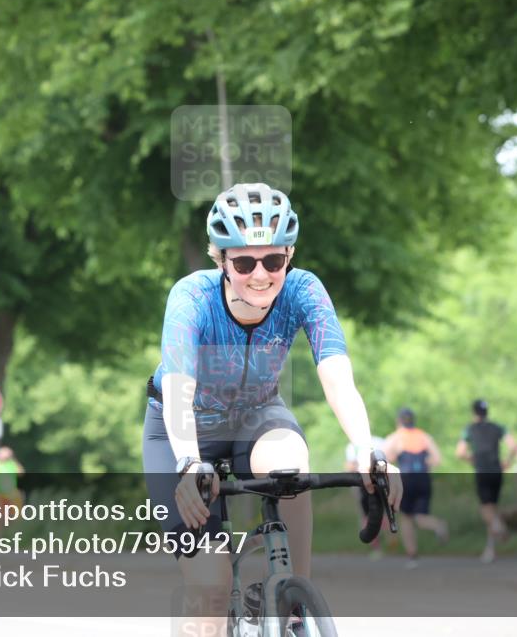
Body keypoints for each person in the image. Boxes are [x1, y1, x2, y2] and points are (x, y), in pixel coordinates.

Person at [141, 184, 402, 637]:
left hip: (257, 416)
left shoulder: (304, 289)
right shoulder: (192, 297)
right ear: (220, 260)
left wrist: (367, 449)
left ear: (290, 255)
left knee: (289, 467)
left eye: (273, 261)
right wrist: (187, 462)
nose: (260, 274)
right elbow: (179, 392)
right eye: (243, 262)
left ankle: (293, 594)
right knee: (212, 587)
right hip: (182, 431)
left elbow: (338, 378)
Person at [382, 408, 448, 568]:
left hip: (406, 480)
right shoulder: (424, 436)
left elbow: (386, 457)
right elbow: (437, 459)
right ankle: (438, 525)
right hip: (424, 479)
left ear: (399, 421)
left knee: (406, 517)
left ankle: (412, 555)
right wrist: (423, 464)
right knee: (420, 516)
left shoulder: (396, 437)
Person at [455, 398, 517, 563]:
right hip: (497, 469)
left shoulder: (469, 429)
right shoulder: (498, 427)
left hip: (482, 470)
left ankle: (500, 528)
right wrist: (507, 462)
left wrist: (472, 459)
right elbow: (513, 446)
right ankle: (490, 550)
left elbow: (460, 452)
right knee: (493, 508)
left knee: (486, 509)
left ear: (474, 412)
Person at [344, 436, 387, 559]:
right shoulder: (380, 441)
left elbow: (350, 467)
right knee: (383, 512)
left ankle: (377, 547)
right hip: (382, 482)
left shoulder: (353, 446)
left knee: (366, 517)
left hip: (363, 483)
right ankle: (390, 541)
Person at [0, 446, 24, 531]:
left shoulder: (12, 463)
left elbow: (21, 472)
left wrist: (12, 459)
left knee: (15, 516)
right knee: (0, 517)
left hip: (12, 492)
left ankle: (13, 534)